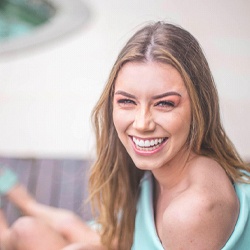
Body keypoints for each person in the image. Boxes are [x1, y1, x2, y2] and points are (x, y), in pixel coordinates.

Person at [0, 21, 250, 250]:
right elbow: (126, 238)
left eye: (164, 104)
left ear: (199, 107)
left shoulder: (194, 211)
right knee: (26, 230)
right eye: (127, 101)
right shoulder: (166, 166)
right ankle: (27, 207)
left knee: (34, 238)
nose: (142, 124)